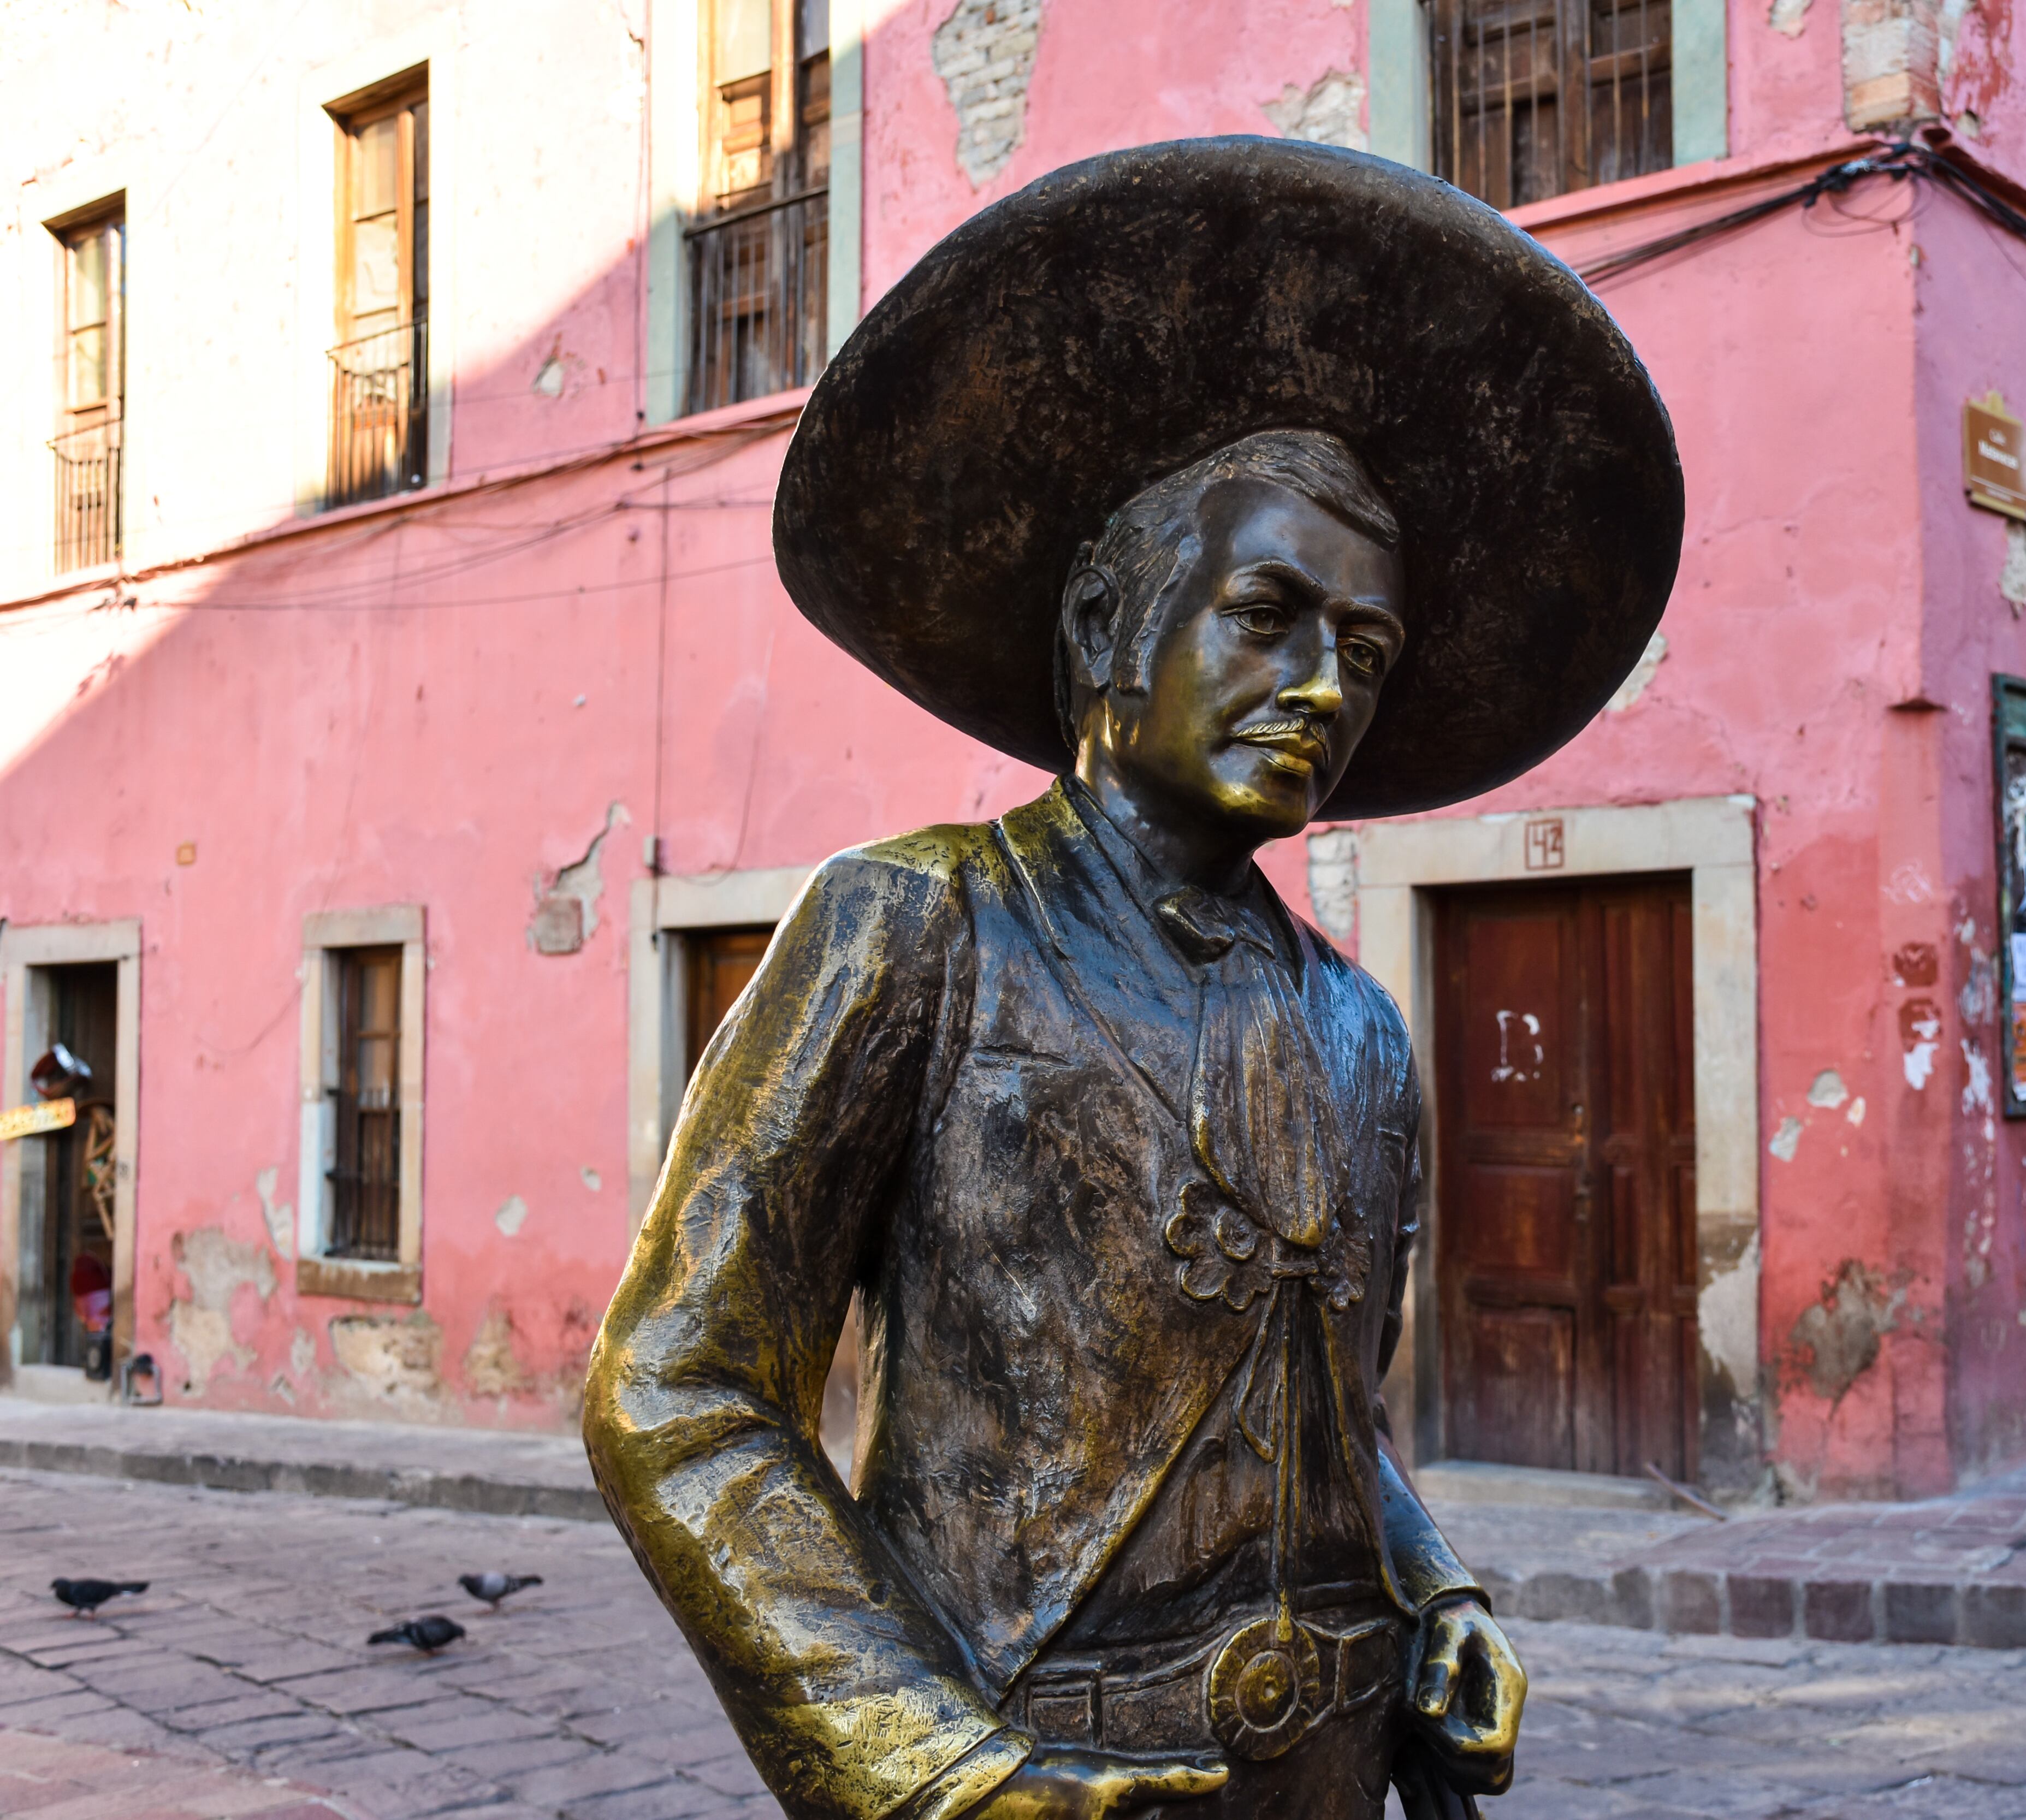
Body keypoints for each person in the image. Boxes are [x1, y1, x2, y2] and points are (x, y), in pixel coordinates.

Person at [585, 138, 1681, 1820]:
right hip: (1024, 1771)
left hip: (1320, 1770)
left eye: (1367, 653)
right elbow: (680, 1386)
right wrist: (916, 1759)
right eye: (1270, 613)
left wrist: (1435, 1594)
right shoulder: (916, 931)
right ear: (1109, 625)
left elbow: (1332, 1419)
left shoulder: (1361, 1031)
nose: (1324, 684)